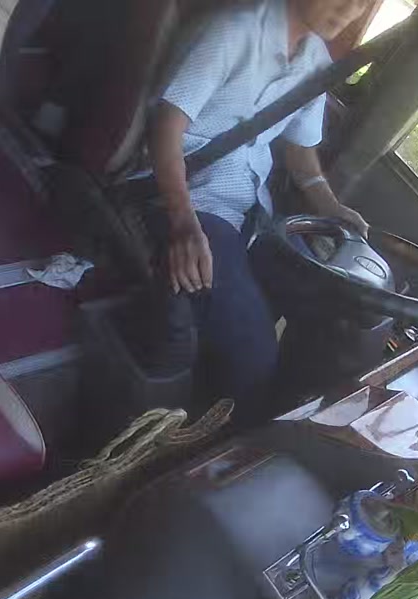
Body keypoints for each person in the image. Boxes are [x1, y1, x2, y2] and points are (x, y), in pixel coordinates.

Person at [147, 0, 374, 420]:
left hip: (251, 211)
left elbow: (300, 149)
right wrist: (182, 222)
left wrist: (330, 205)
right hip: (187, 198)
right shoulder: (234, 31)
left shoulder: (316, 62)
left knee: (332, 309)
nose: (349, 9)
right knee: (254, 356)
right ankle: (216, 441)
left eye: (363, 1)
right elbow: (166, 126)